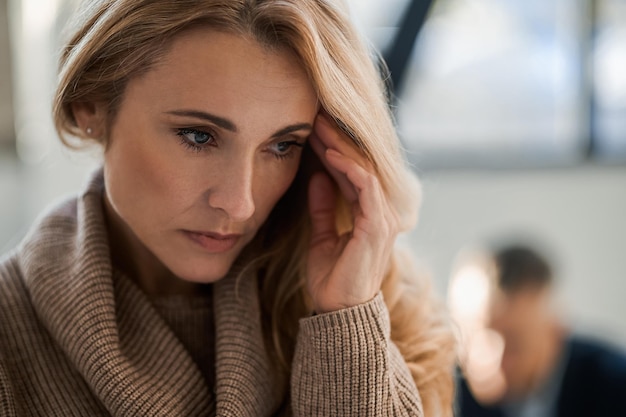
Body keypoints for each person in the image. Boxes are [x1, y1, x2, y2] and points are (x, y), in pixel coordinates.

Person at [0, 0, 456, 415]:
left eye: (282, 145)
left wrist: (346, 325)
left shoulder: (393, 322)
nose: (240, 204)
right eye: (198, 136)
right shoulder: (10, 335)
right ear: (90, 106)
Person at [457, 244, 626, 417]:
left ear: (557, 331)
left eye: (515, 345)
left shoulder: (616, 389)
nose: (496, 363)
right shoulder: (442, 393)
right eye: (481, 338)